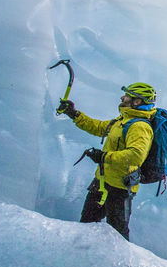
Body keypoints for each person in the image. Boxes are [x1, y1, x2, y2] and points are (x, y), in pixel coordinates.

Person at [57, 82, 157, 241]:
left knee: (118, 236)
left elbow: (136, 155)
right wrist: (74, 114)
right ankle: (84, 259)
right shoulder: (122, 120)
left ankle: (123, 265)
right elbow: (98, 127)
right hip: (102, 182)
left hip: (120, 189)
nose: (123, 97)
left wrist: (104, 157)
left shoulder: (139, 126)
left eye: (127, 96)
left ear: (137, 101)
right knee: (86, 225)